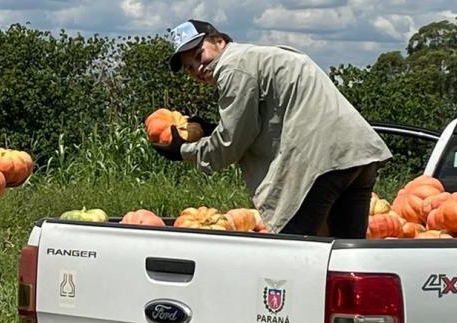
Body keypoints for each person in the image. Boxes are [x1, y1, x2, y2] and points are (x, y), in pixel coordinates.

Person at [153, 19, 393, 237]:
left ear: (219, 40)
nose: (197, 68)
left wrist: (183, 151)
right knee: (343, 252)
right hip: (358, 155)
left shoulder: (232, 68)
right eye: (189, 67)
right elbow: (262, 125)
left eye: (198, 54)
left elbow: (230, 145)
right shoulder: (256, 57)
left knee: (293, 247)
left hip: (323, 163)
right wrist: (213, 129)